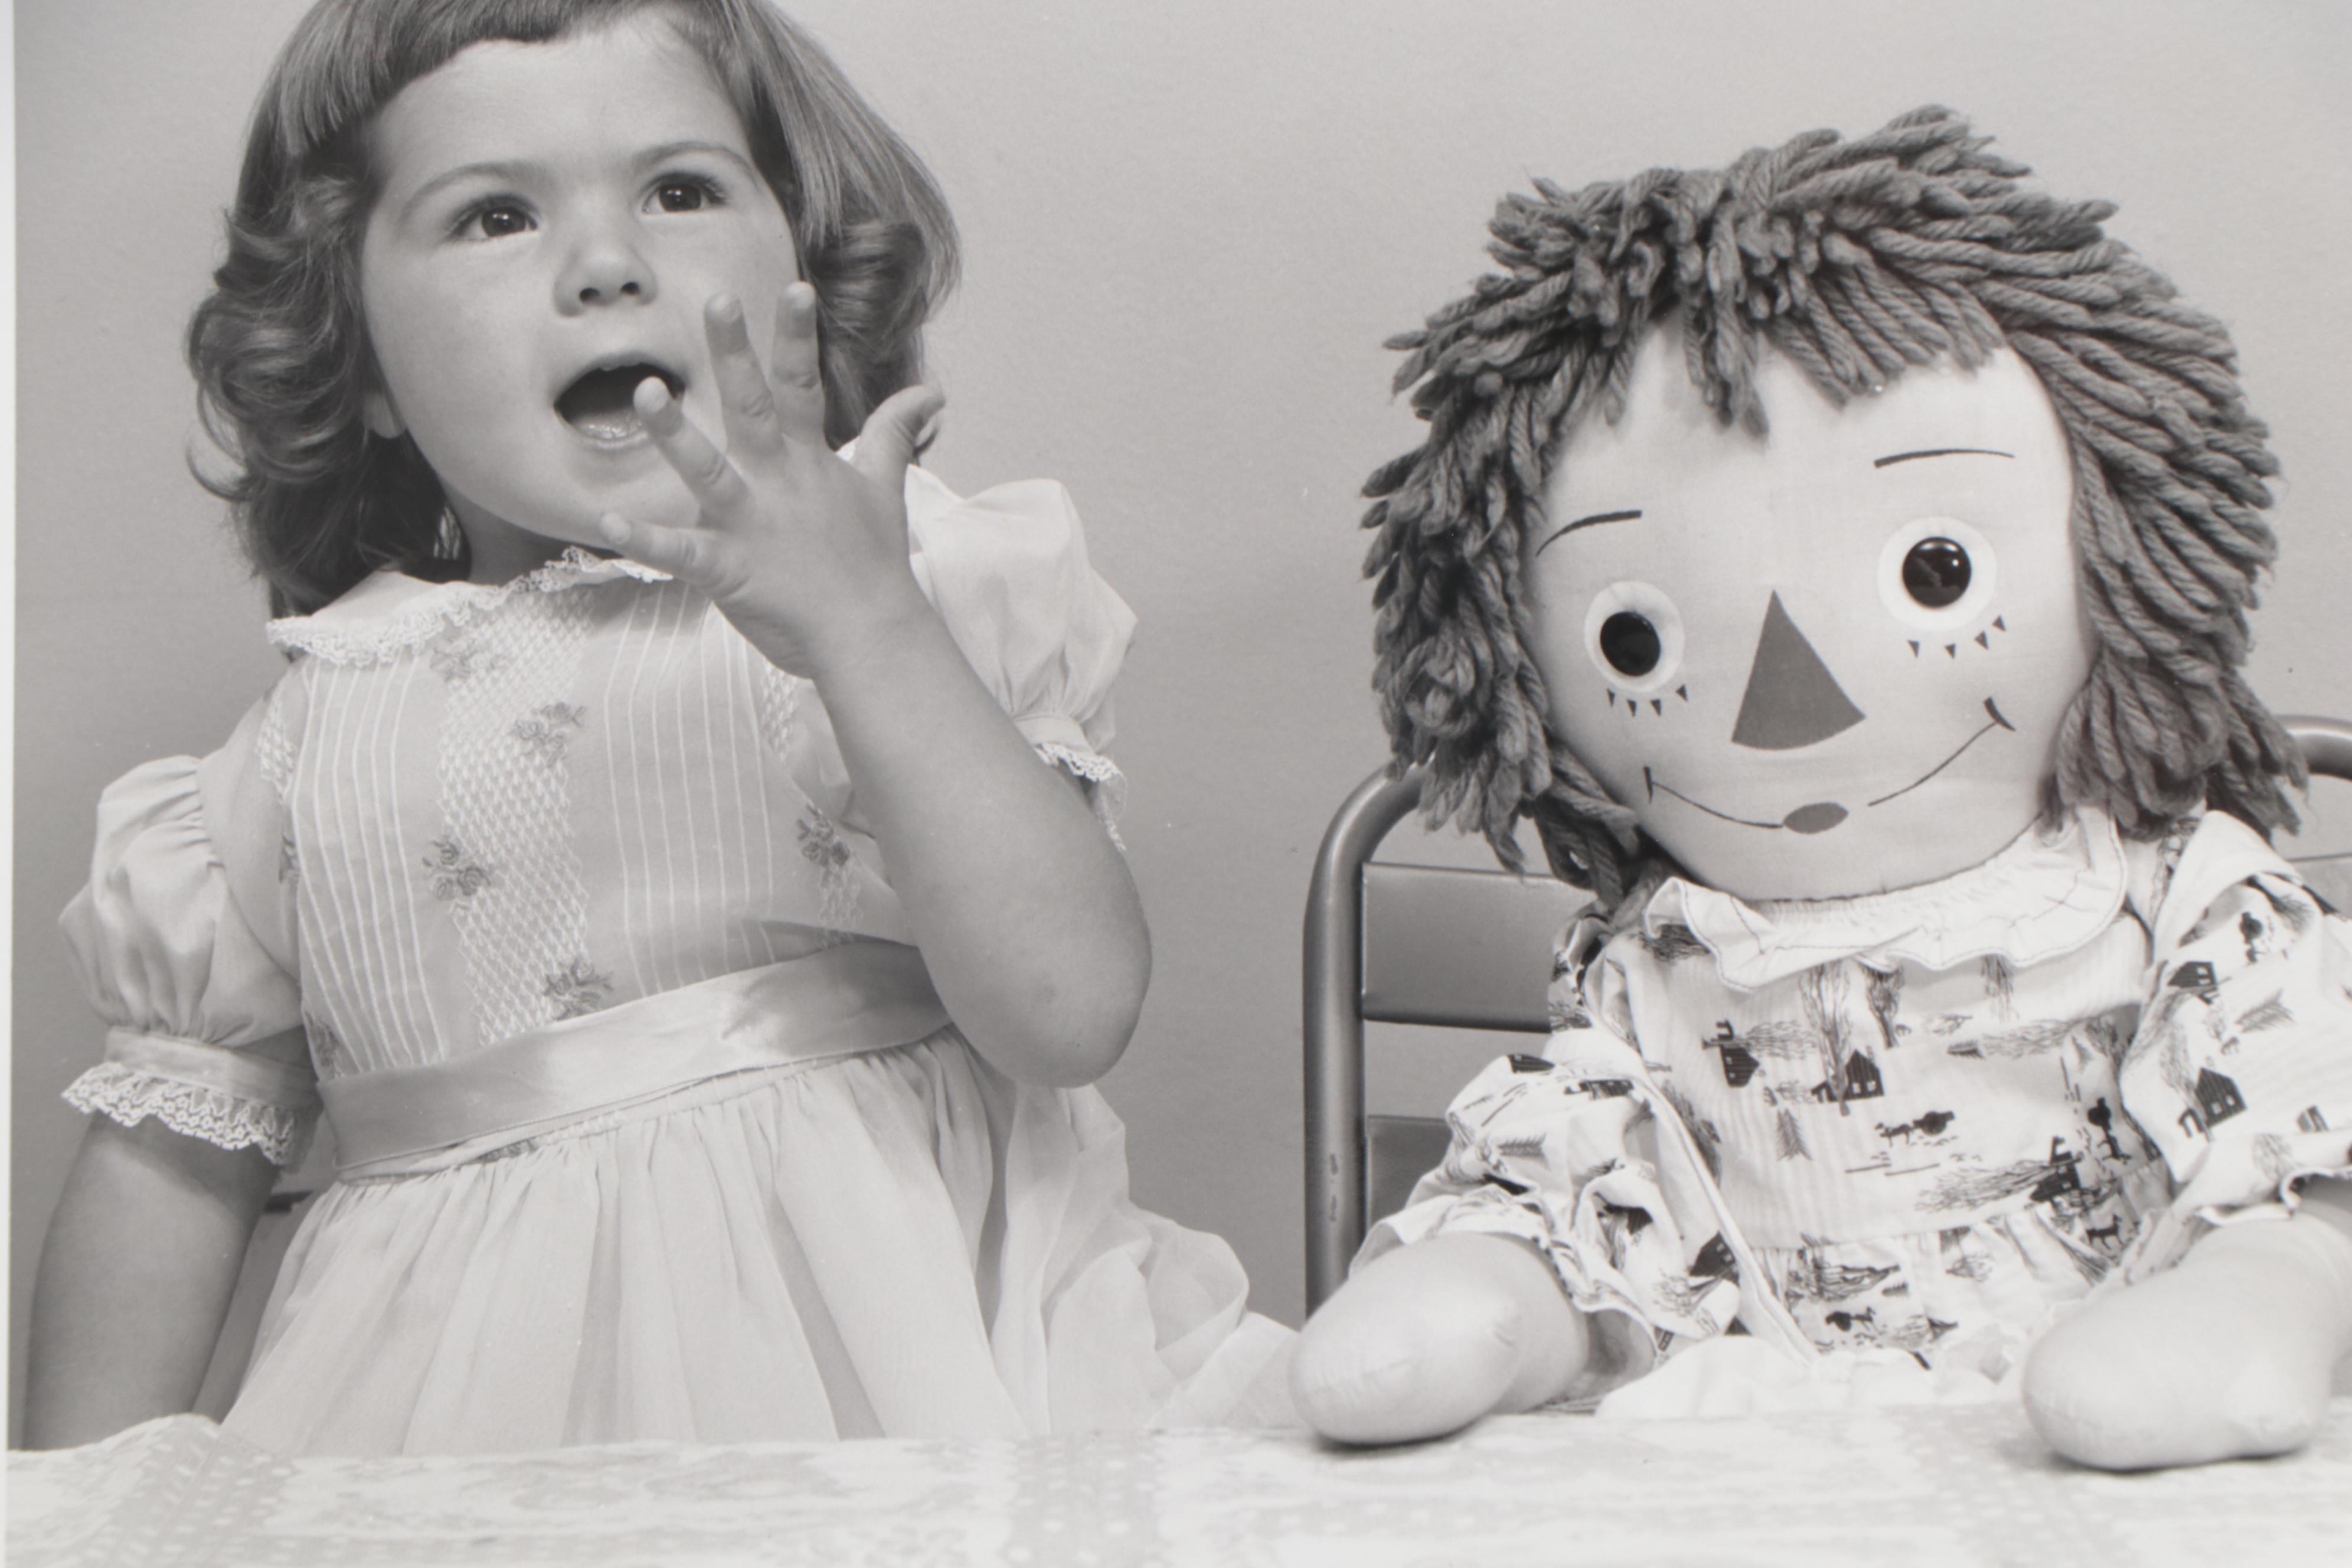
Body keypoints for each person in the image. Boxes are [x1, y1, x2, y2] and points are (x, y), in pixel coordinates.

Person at [24, 0, 1289, 1455]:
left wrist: (862, 622)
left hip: (927, 1399)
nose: (610, 264)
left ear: (800, 266)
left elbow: (1068, 1010)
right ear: (357, 355)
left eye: (682, 191)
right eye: (494, 215)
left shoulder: (914, 590)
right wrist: (68, 1509)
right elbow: (170, 1170)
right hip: (456, 1452)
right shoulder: (301, 746)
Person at [1292, 107, 2352, 1470]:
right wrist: (1515, 1262)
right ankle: (1507, 1303)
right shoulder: (1662, 956)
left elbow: (2288, 1091)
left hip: (2121, 1390)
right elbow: (1612, 1150)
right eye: (1634, 642)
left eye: (1937, 572)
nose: (1792, 699)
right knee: (1546, 1246)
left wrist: (2273, 1255)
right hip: (1785, 1435)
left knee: (2291, 1191)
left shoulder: (2151, 887)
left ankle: (2259, 1306)